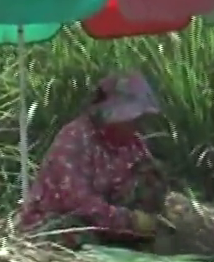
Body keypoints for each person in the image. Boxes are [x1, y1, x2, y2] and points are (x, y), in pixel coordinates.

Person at [17, 72, 169, 249]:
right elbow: (77, 203)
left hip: (110, 228)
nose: (138, 124)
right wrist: (130, 220)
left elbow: (145, 187)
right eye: (132, 118)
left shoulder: (133, 145)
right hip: (58, 225)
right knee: (74, 236)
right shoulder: (75, 138)